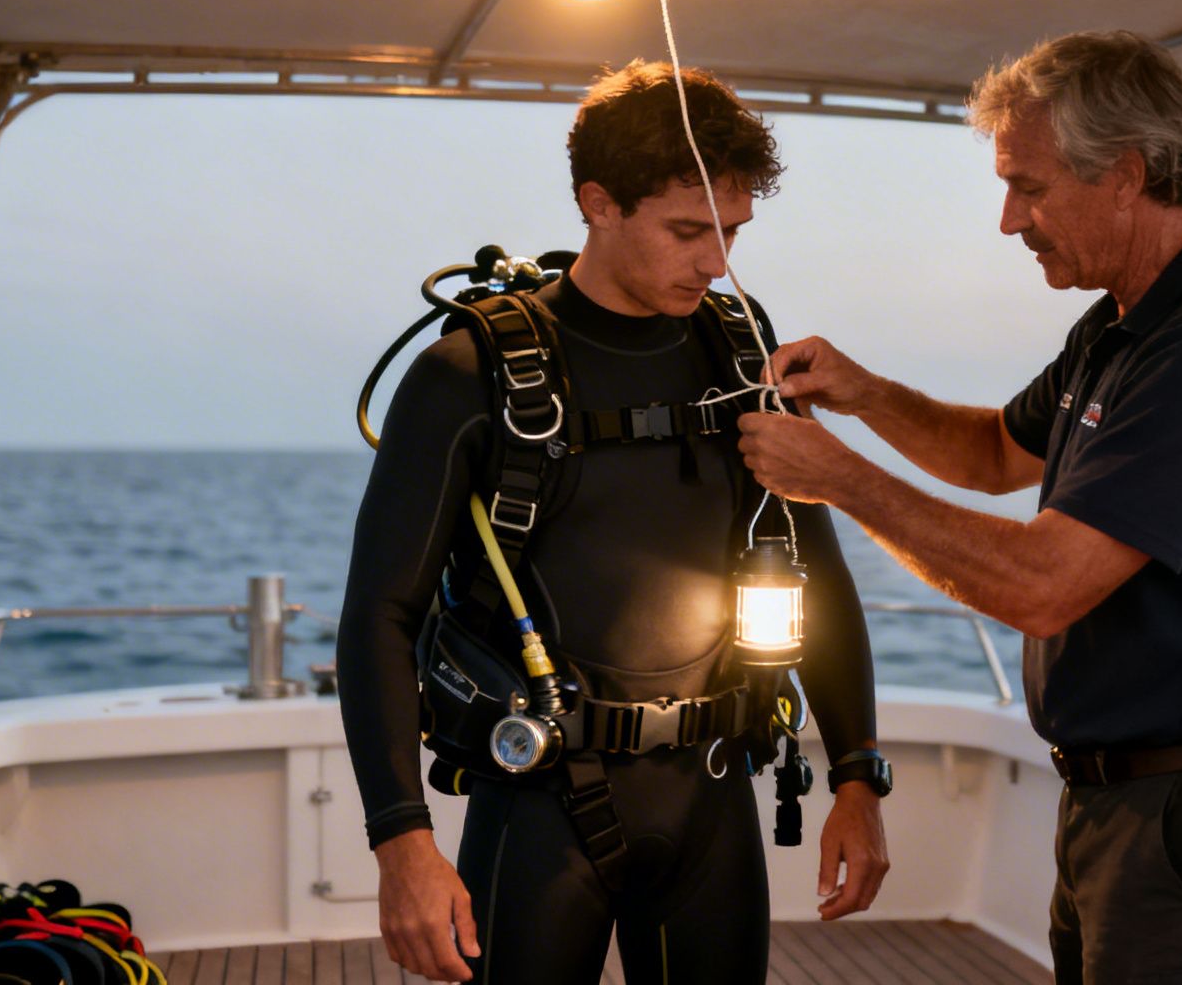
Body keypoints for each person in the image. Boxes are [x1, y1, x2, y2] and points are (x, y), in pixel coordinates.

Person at [737, 30, 1182, 984]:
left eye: (1029, 185)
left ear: (1125, 175)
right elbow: (991, 454)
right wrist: (865, 394)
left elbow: (1044, 585)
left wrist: (839, 478)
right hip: (1123, 806)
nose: (1010, 220)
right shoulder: (1120, 324)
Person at [337, 60, 890, 985]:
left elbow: (815, 565)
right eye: (687, 232)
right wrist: (402, 843)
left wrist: (857, 775)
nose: (716, 262)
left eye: (733, 233)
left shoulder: (740, 351)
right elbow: (378, 617)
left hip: (714, 793)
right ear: (598, 203)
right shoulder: (466, 377)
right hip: (538, 802)